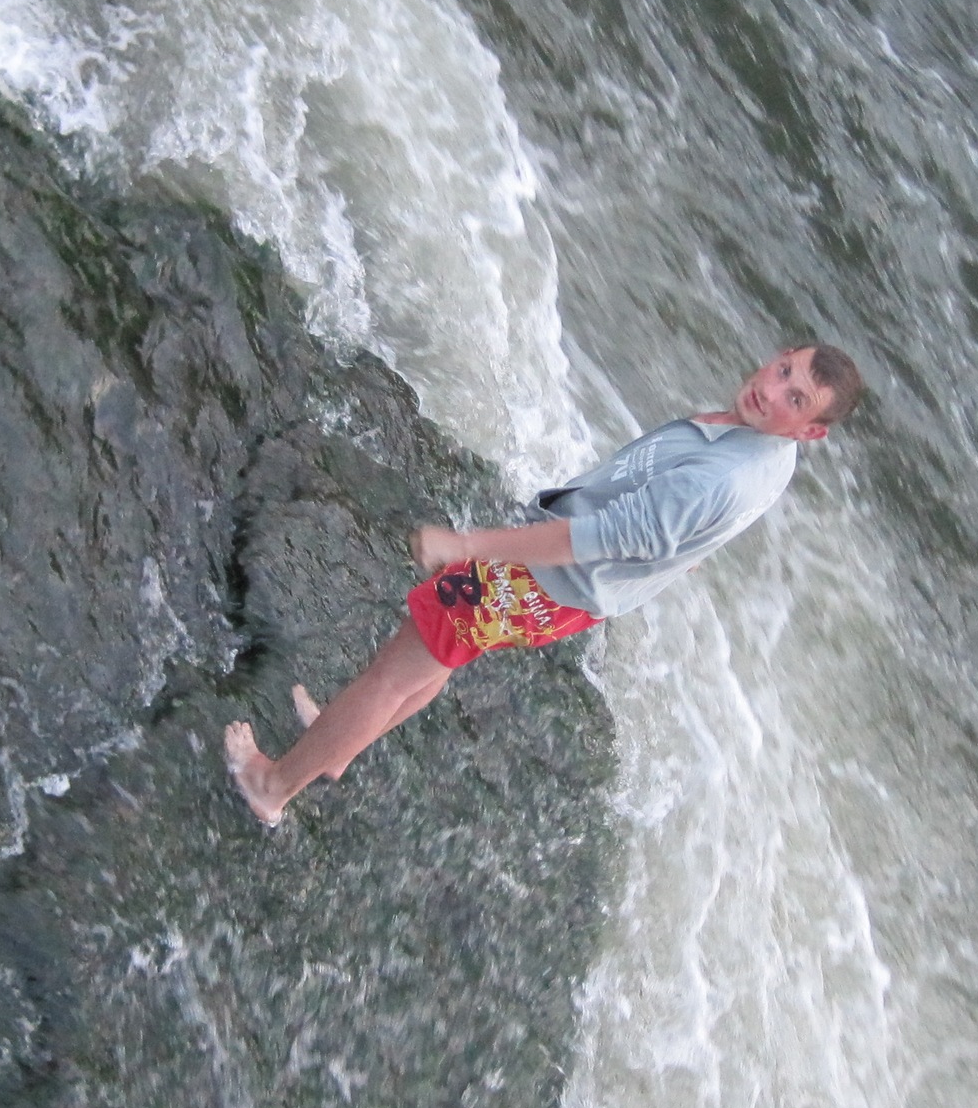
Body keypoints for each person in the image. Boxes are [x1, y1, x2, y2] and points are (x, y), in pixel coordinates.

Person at [223, 344, 865, 824]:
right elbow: (689, 528)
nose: (772, 391)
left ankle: (272, 786)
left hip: (542, 577)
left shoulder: (718, 478)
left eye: (796, 400)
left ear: (811, 431)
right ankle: (340, 744)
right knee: (440, 654)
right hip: (569, 594)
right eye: (785, 370)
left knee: (394, 671)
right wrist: (679, 550)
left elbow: (595, 538)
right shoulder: (770, 456)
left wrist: (467, 546)